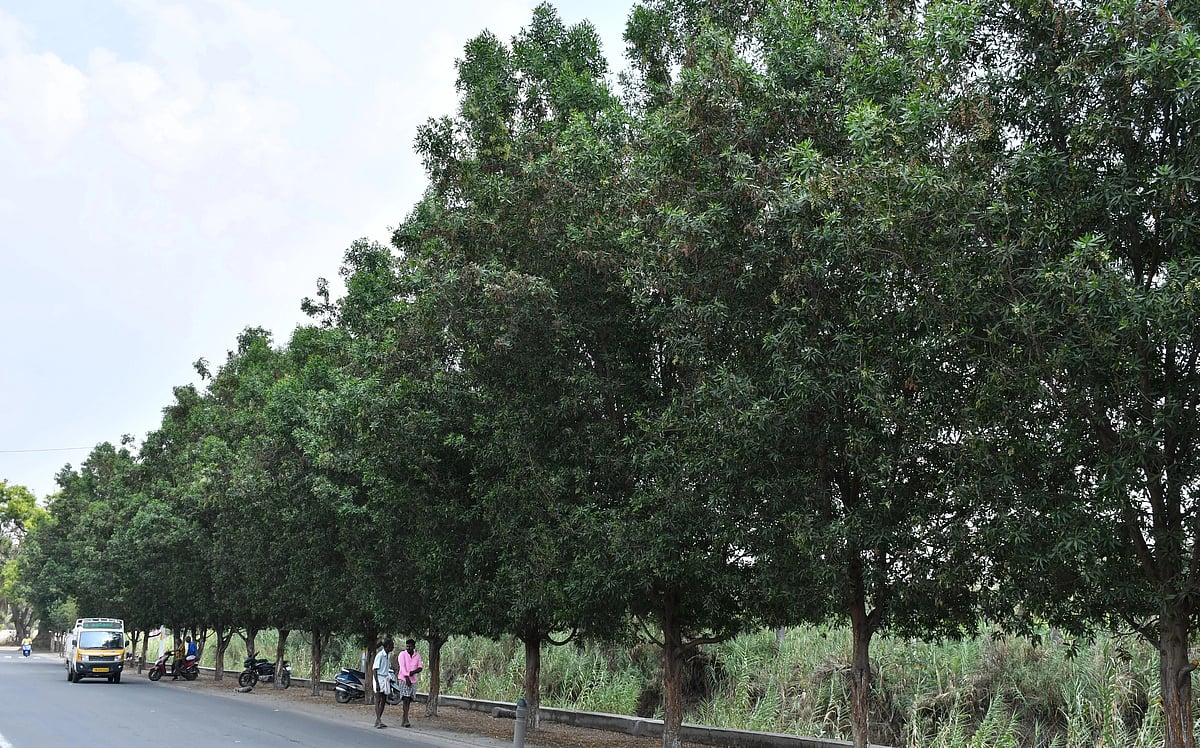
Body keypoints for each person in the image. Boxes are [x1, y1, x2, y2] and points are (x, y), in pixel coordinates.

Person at [395, 638, 424, 728]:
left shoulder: (417, 656)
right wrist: (407, 676)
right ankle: (405, 718)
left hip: (413, 680)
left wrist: (413, 672)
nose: (408, 648)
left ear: (414, 647)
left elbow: (420, 667)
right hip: (404, 679)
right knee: (405, 699)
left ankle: (405, 717)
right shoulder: (402, 655)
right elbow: (402, 667)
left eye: (410, 646)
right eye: (407, 646)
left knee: (410, 699)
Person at [371, 639, 395, 729]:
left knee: (384, 699)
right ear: (387, 646)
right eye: (391, 645)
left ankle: (378, 720)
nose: (393, 647)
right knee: (378, 699)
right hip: (379, 677)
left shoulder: (388, 655)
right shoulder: (380, 655)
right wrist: (377, 683)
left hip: (385, 677)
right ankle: (378, 719)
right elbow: (374, 669)